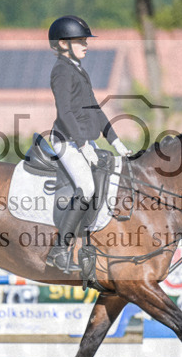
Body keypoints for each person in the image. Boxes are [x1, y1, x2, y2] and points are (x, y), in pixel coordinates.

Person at [43, 15, 131, 274]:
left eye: (85, 40)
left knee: (108, 180)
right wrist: (83, 146)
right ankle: (59, 250)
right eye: (80, 40)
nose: (86, 44)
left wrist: (116, 141)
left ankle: (89, 249)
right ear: (62, 44)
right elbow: (65, 112)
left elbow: (95, 109)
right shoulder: (61, 70)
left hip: (83, 141)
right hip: (66, 140)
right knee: (87, 187)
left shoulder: (78, 69)